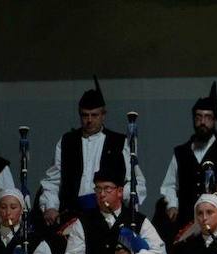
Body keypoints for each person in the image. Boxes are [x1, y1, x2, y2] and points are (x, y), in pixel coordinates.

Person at [38, 76, 146, 227]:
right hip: (72, 214)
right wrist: (50, 206)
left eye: (94, 115)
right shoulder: (67, 141)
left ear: (103, 115)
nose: (89, 120)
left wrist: (118, 198)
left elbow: (134, 181)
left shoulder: (119, 142)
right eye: (85, 115)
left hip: (109, 214)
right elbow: (53, 180)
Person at [158, 81, 217, 237]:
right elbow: (169, 185)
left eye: (207, 117)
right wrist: (173, 205)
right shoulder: (181, 152)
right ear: (194, 119)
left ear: (214, 120)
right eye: (199, 117)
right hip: (186, 221)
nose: (202, 122)